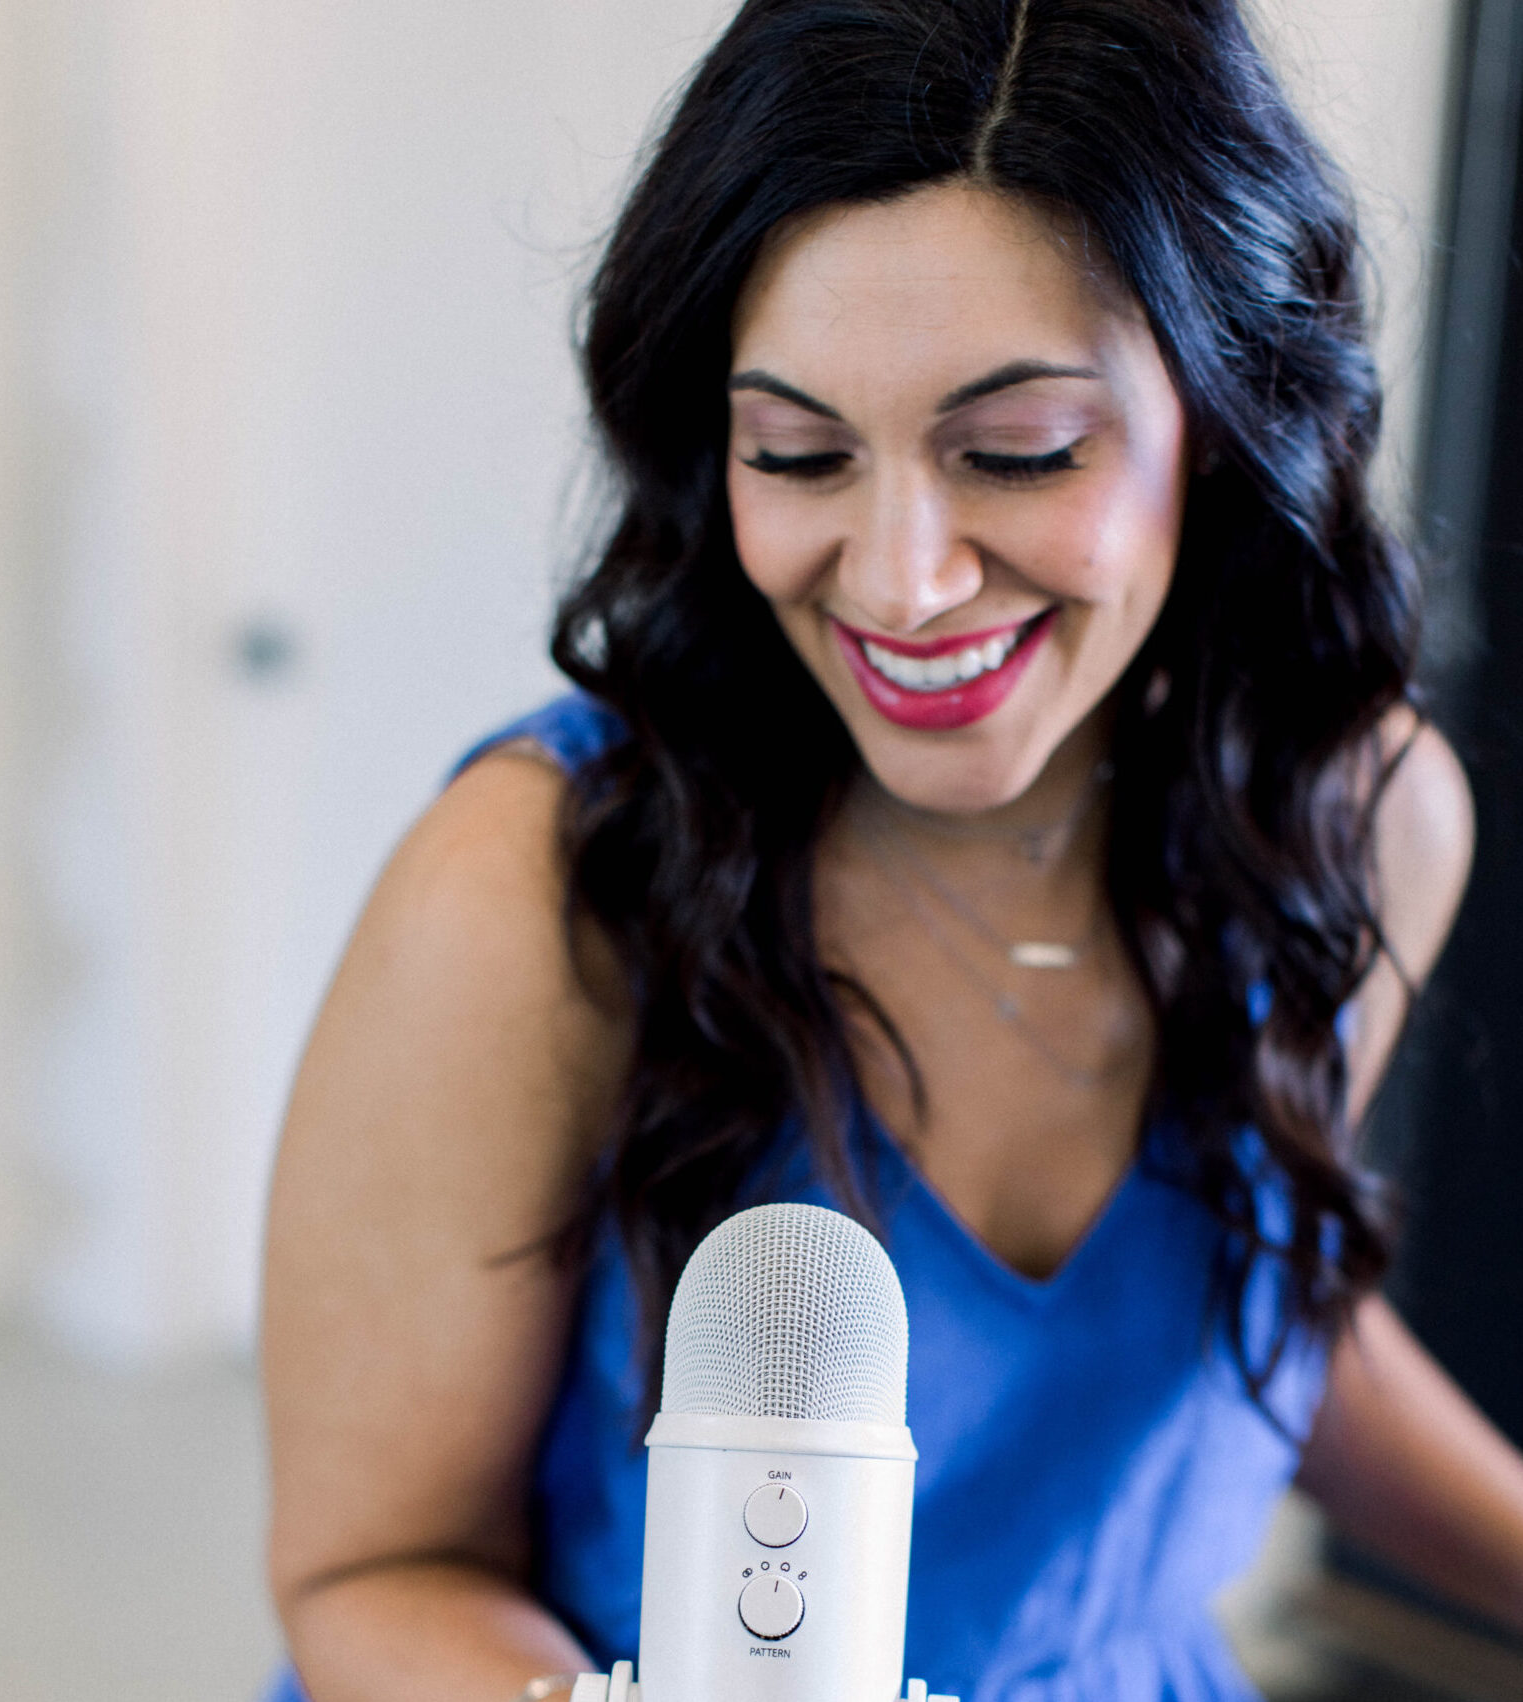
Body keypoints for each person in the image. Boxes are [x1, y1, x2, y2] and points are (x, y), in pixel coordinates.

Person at [259, 2, 1523, 1699]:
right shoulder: (531, 890)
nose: (900, 579)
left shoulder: (1358, 824)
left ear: (1219, 412)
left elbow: (1247, 1331)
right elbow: (371, 1566)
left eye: (1016, 451)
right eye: (797, 453)